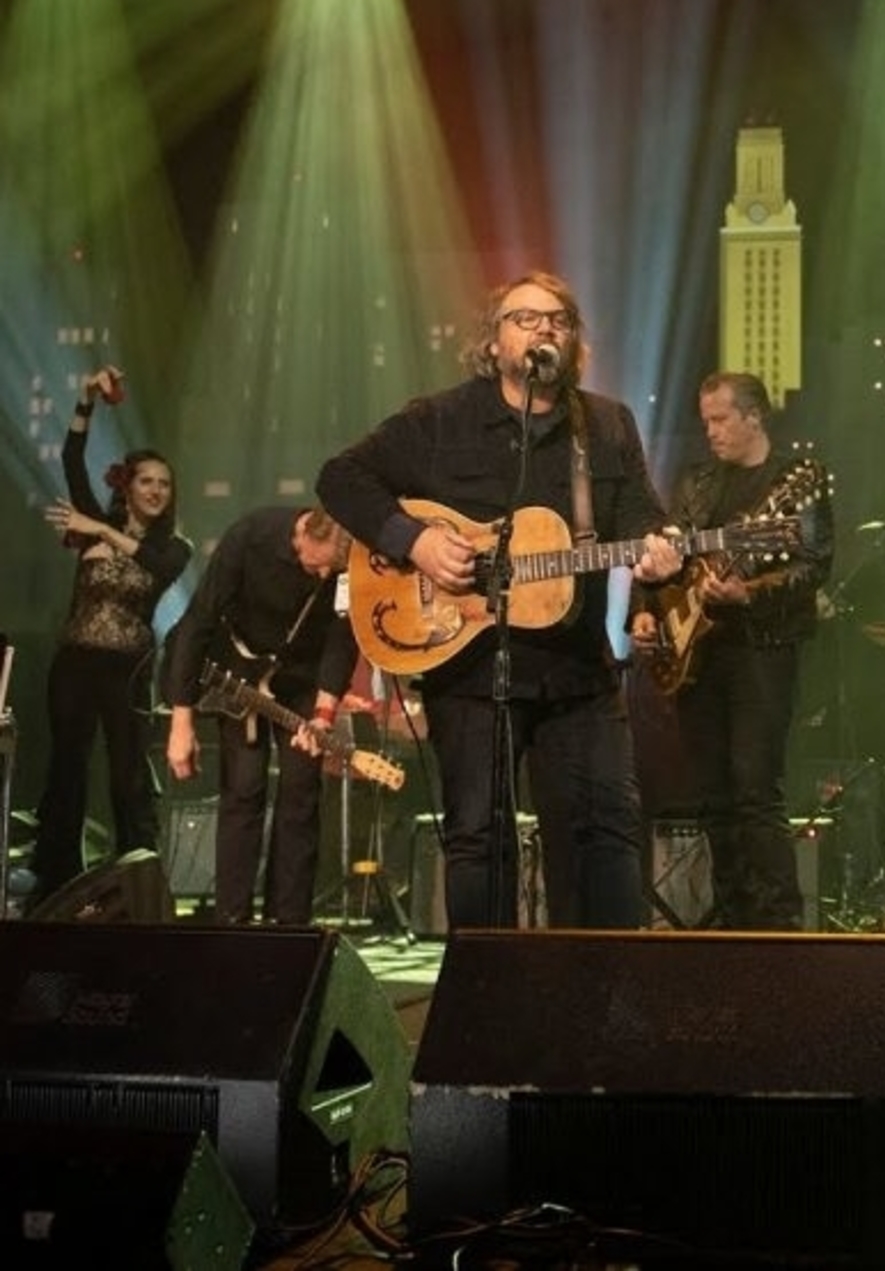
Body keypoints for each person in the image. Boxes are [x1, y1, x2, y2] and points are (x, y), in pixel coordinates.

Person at [318, 270, 684, 931]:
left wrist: (660, 552)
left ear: (573, 341)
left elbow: (640, 516)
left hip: (578, 671)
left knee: (604, 833)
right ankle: (488, 984)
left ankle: (607, 984)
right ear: (492, 341)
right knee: (479, 841)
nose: (544, 329)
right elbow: (340, 478)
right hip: (469, 670)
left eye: (559, 320)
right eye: (526, 318)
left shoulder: (606, 424)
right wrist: (416, 541)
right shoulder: (439, 419)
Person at [641, 372, 833, 930]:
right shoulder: (698, 482)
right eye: (706, 421)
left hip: (763, 648)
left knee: (755, 789)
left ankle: (777, 923)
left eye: (721, 419)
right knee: (711, 793)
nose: (711, 432)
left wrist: (746, 593)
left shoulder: (795, 481)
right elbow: (665, 557)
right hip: (698, 654)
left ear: (754, 416)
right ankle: (730, 917)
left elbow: (815, 564)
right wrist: (647, 610)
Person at [28, 367, 193, 909]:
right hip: (75, 663)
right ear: (128, 485)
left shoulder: (175, 548)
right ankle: (56, 885)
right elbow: (71, 458)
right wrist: (85, 400)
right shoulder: (95, 523)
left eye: (164, 484)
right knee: (67, 770)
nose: (156, 490)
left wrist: (99, 530)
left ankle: (137, 887)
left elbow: (153, 565)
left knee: (127, 776)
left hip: (129, 671)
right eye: (147, 481)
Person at [159, 505, 355, 925]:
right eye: (317, 564)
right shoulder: (249, 537)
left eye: (332, 570)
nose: (323, 575)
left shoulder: (348, 565)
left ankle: (291, 924)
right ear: (303, 534)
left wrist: (324, 714)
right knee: (243, 789)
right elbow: (198, 621)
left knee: (301, 793)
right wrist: (181, 721)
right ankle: (233, 921)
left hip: (303, 679)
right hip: (240, 672)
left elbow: (343, 636)